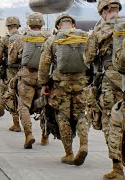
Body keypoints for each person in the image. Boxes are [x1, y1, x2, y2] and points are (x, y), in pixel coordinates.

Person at [39, 13, 89, 165]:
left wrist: (44, 84)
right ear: (73, 24)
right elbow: (92, 59)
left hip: (60, 86)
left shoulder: (52, 40)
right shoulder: (85, 37)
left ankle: (69, 153)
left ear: (58, 26)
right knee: (81, 114)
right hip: (81, 84)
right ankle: (84, 144)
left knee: (62, 116)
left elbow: (44, 64)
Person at [84, 0, 123, 178]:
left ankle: (117, 169)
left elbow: (89, 58)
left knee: (111, 124)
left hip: (110, 84)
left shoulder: (100, 31)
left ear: (102, 12)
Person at [0, 16, 22, 132]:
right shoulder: (23, 38)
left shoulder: (4, 40)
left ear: (8, 26)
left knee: (9, 95)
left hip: (9, 72)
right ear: (18, 26)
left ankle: (16, 123)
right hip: (23, 72)